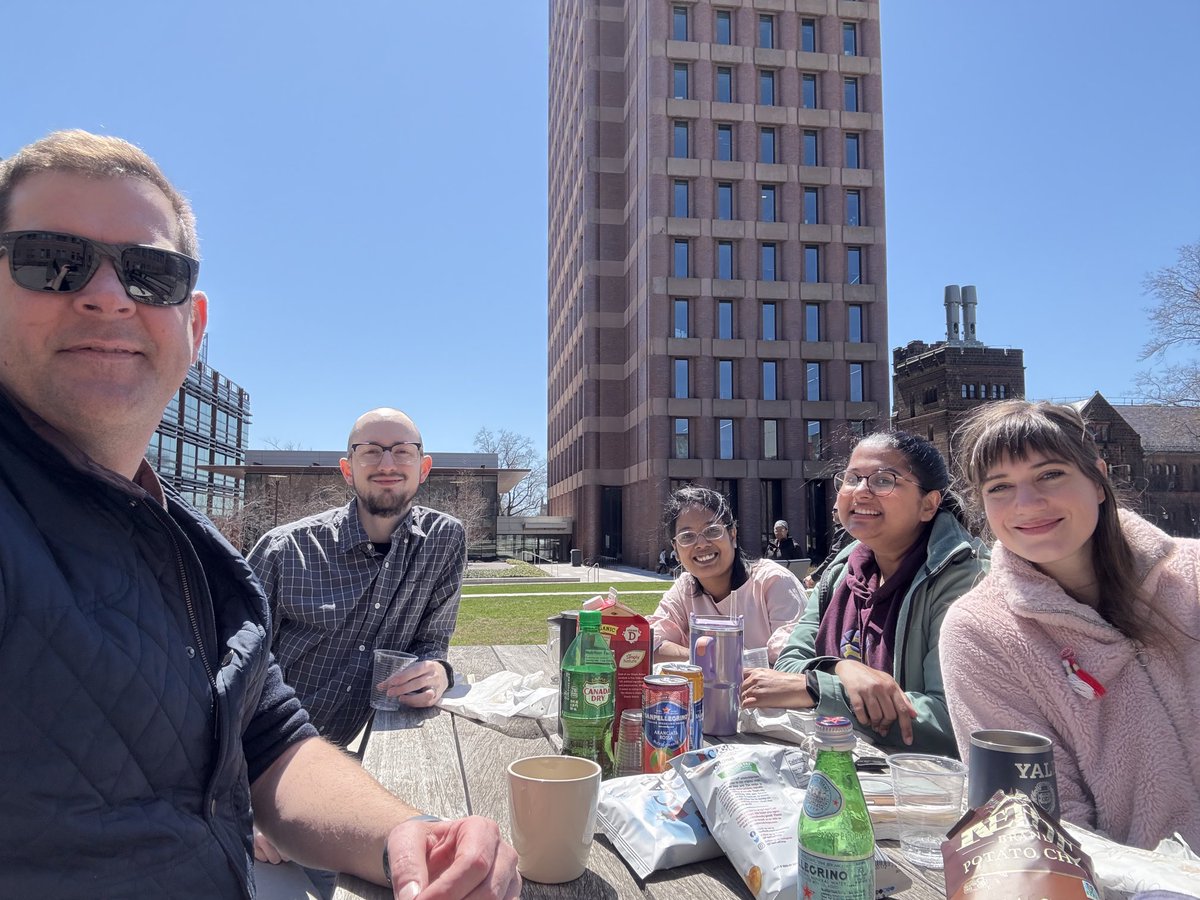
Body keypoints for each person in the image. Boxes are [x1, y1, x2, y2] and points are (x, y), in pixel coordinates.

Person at [0, 130, 519, 899]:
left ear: (194, 326)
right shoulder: (272, 550)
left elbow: (266, 735)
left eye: (150, 273)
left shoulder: (190, 549)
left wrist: (405, 837)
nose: (108, 294)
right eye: (51, 260)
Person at [942, 400, 1200, 849]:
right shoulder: (980, 632)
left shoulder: (1193, 575)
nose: (1027, 503)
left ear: (1098, 479)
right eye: (999, 487)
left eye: (1050, 474)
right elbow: (1042, 823)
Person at [741, 431, 987, 755]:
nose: (860, 492)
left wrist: (817, 689)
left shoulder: (964, 579)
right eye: (852, 478)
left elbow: (951, 719)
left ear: (928, 504)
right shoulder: (842, 571)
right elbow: (788, 665)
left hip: (923, 780)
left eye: (884, 481)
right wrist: (841, 668)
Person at [249, 408, 465, 749]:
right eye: (371, 451)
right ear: (348, 470)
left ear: (423, 468)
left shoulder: (444, 540)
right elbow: (232, 664)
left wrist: (439, 671)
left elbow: (431, 640)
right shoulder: (284, 550)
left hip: (361, 748)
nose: (387, 465)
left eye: (403, 451)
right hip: (265, 747)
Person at [648, 485, 805, 665]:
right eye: (687, 536)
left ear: (732, 534)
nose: (701, 544)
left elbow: (790, 658)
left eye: (712, 531)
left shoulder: (773, 581)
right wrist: (709, 657)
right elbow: (650, 643)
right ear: (675, 548)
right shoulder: (685, 588)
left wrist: (710, 660)